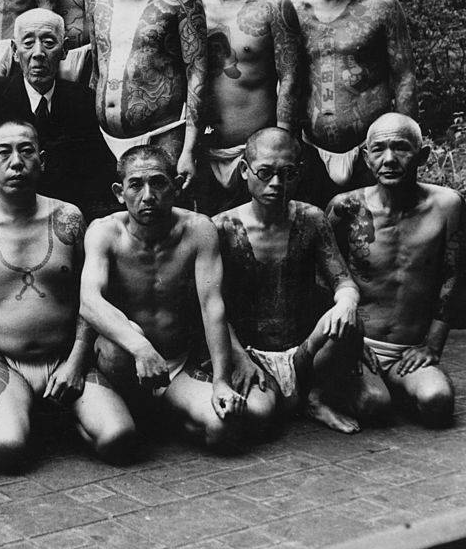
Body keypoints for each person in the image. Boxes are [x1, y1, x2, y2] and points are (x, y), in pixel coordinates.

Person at [0, 120, 135, 470]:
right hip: (1, 361)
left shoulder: (68, 218)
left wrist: (77, 362)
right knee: (5, 448)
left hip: (65, 358)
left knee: (118, 438)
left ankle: (55, 413)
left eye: (26, 150)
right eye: (4, 153)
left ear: (42, 160)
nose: (16, 161)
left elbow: (91, 298)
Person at [81, 145, 267, 447]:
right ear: (119, 192)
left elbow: (212, 306)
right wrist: (140, 347)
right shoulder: (104, 232)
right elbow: (90, 302)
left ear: (177, 186)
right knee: (116, 437)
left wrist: (221, 381)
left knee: (223, 431)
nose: (148, 195)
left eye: (158, 182)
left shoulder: (198, 230)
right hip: (125, 360)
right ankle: (131, 408)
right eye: (136, 184)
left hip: (175, 363)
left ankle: (162, 411)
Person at [214, 129, 363, 433]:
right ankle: (285, 397)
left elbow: (343, 281)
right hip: (251, 352)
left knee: (350, 319)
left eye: (287, 173)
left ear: (299, 174)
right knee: (258, 415)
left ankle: (316, 398)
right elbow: (210, 306)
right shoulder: (222, 227)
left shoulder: (312, 218)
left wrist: (347, 302)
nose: (277, 184)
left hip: (303, 351)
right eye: (265, 173)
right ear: (244, 170)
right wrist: (239, 357)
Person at [329, 113, 465, 427]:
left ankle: (397, 386)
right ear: (365, 156)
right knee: (373, 406)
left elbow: (452, 276)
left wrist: (432, 345)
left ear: (423, 155)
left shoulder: (448, 206)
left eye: (401, 148)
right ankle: (358, 386)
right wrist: (341, 347)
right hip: (358, 346)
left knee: (437, 402)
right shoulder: (345, 208)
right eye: (378, 149)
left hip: (409, 348)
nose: (389, 158)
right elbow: (326, 277)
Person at [291, 0, 416, 204]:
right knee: (318, 228)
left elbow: (404, 76)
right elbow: (287, 81)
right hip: (311, 148)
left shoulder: (381, 5)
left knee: (376, 232)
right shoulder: (293, 11)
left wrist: (404, 145)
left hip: (370, 149)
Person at [84, 0, 208, 191]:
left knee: (164, 221)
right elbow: (96, 69)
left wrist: (189, 147)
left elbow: (198, 73)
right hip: (107, 137)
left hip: (163, 135)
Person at [197, 0, 301, 214]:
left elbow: (290, 78)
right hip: (204, 151)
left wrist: (281, 145)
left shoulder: (274, 4)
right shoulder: (194, 6)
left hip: (257, 154)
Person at [0, 9, 115, 218]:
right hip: (5, 218)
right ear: (14, 51)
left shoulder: (82, 100)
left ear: (64, 50)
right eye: (28, 43)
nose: (38, 53)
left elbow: (95, 174)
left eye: (48, 42)